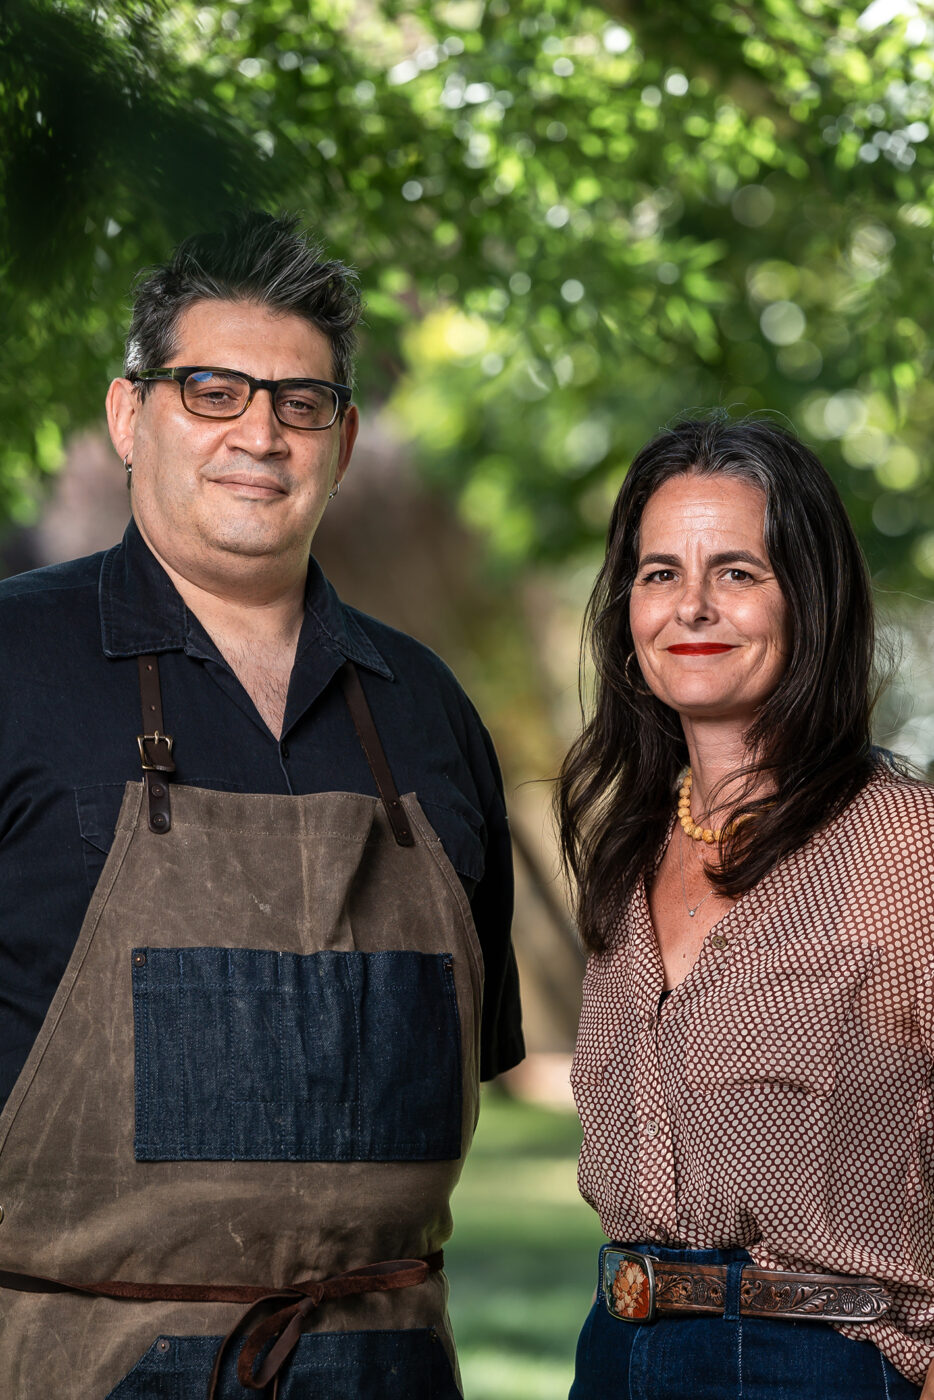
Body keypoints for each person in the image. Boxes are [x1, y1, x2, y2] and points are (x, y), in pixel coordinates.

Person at [0, 211, 523, 1398]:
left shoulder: (429, 711)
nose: (260, 434)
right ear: (129, 415)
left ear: (343, 439)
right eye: (213, 391)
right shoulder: (13, 661)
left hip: (386, 1367)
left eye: (301, 402)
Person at [556, 415, 934, 1399]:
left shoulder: (906, 844)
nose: (691, 605)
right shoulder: (629, 852)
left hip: (821, 1365)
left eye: (735, 570)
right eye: (659, 573)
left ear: (807, 598)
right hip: (616, 1351)